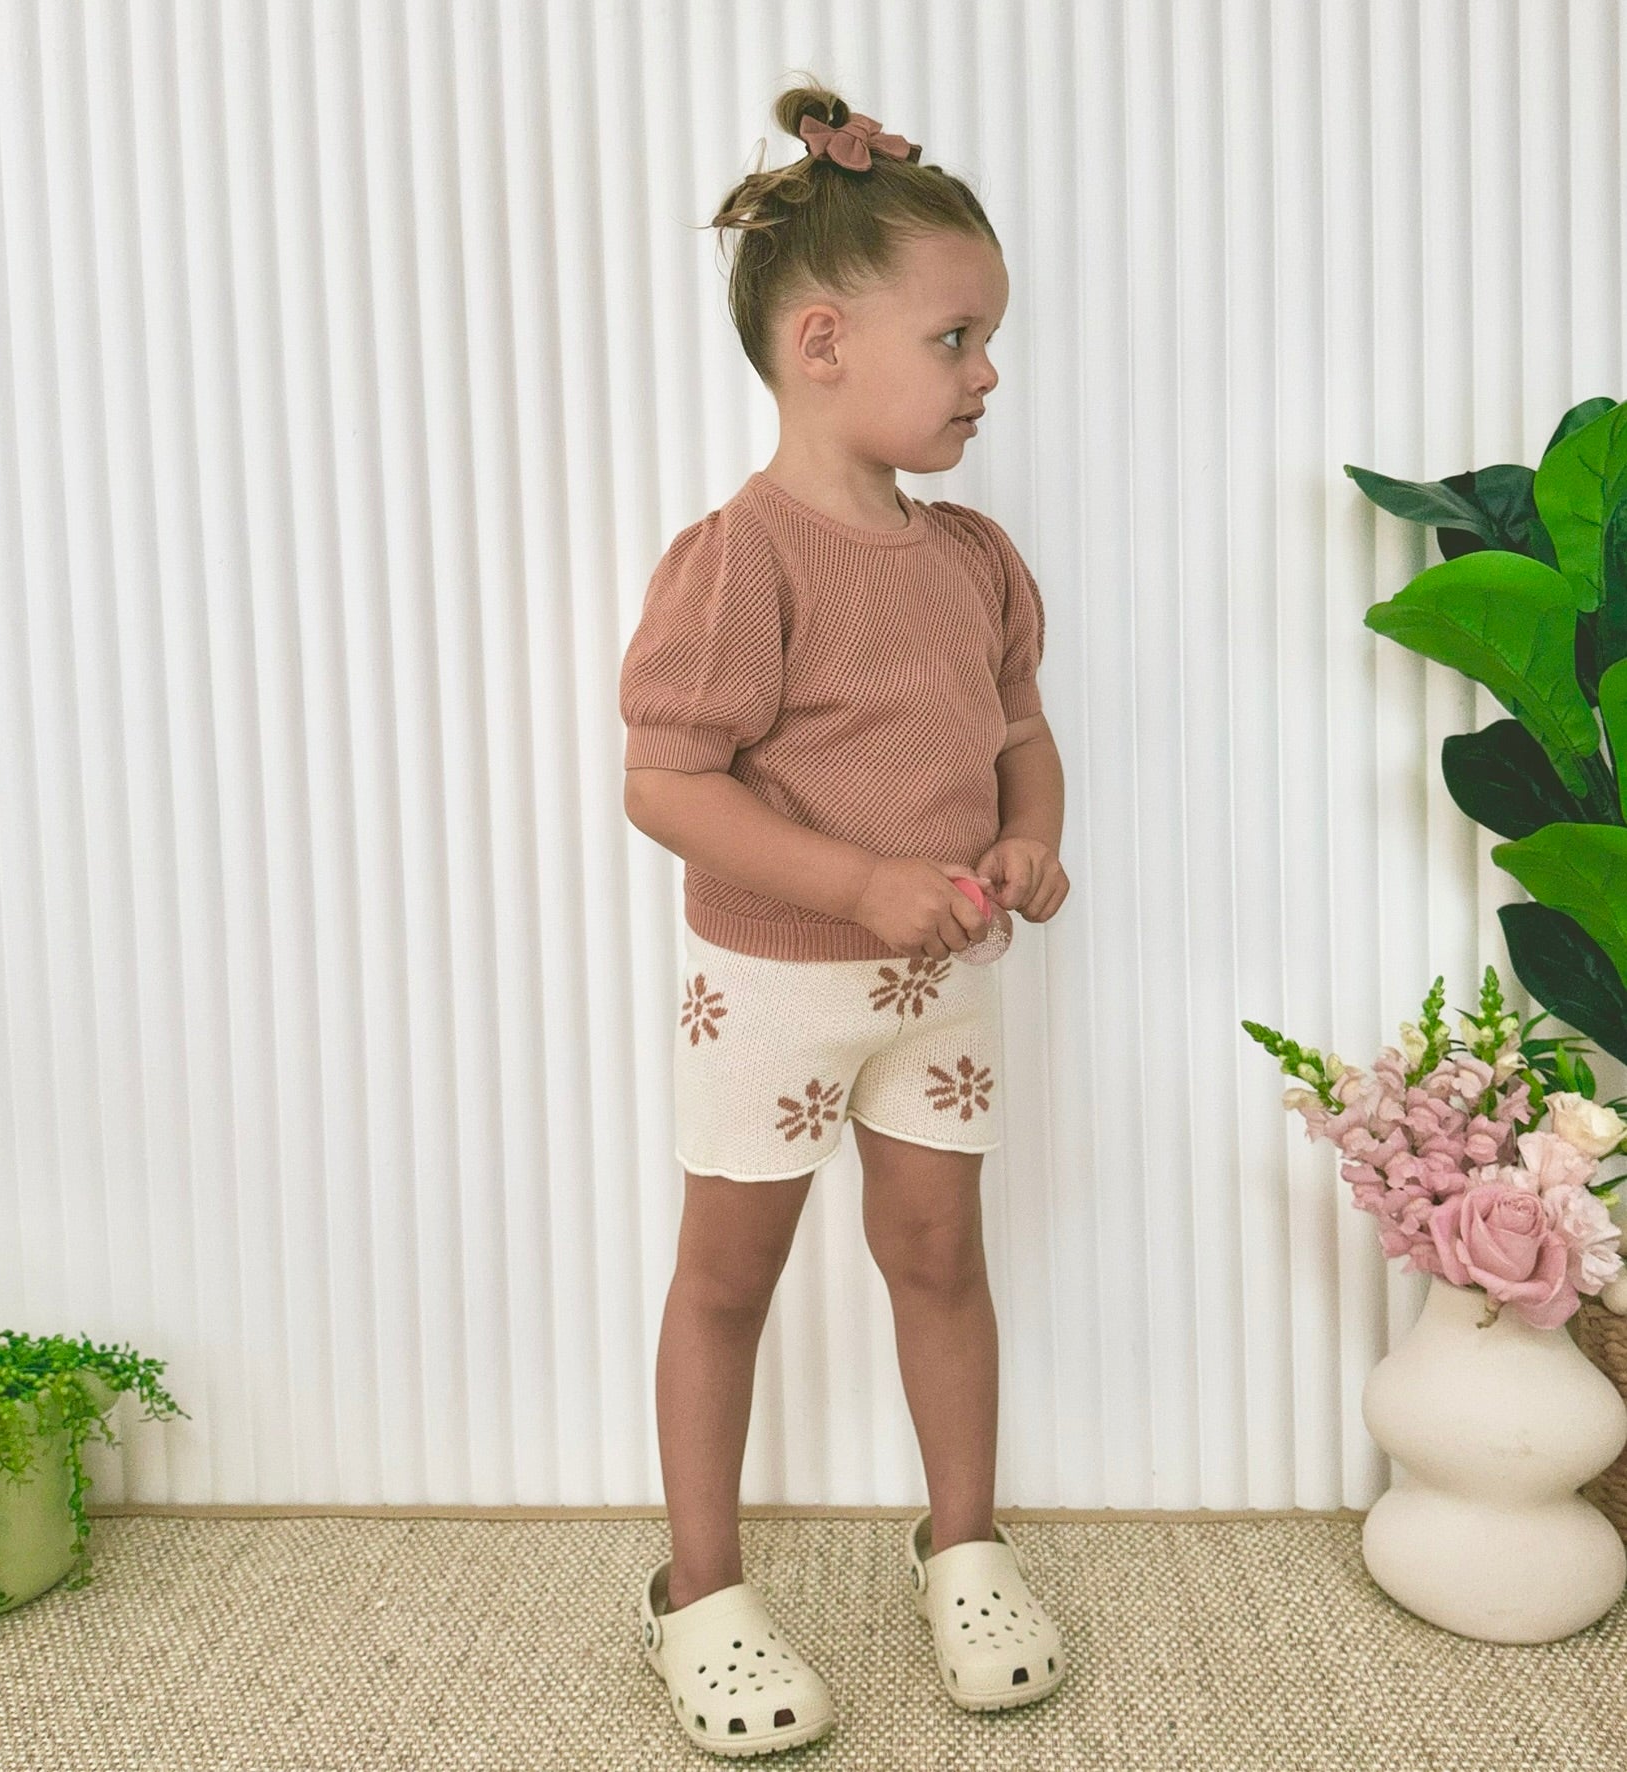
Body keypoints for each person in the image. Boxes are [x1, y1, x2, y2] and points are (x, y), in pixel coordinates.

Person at [619, 76, 1070, 1758]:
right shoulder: (745, 561)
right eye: (957, 339)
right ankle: (700, 1586)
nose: (987, 373)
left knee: (939, 1253)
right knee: (729, 1276)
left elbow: (1022, 742)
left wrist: (1029, 844)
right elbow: (668, 787)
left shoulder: (973, 558)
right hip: (779, 993)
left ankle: (963, 1542)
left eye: (985, 341)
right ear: (824, 345)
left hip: (943, 994)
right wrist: (864, 883)